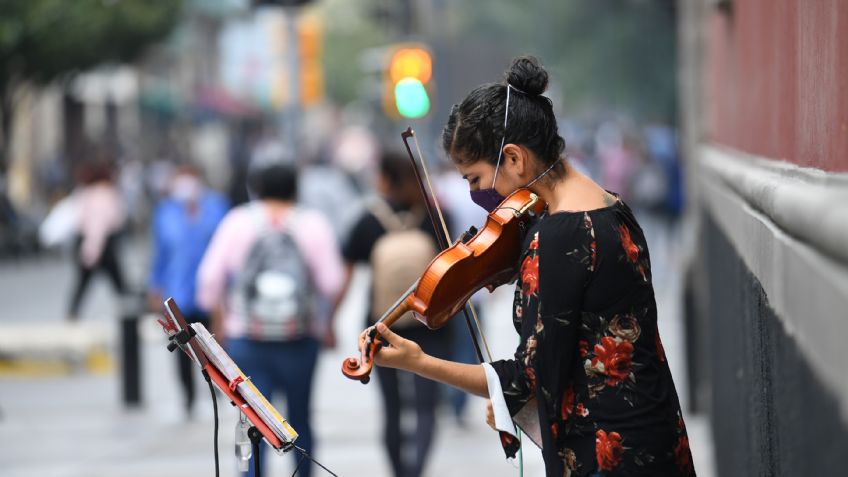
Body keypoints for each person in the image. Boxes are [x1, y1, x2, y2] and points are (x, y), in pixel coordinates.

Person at [358, 57, 696, 476]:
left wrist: (417, 362)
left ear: (514, 158)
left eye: (476, 179)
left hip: (607, 454)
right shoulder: (612, 206)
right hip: (655, 432)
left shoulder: (556, 237)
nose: (483, 195)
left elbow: (526, 377)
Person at [196, 159, 344, 477]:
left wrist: (220, 323)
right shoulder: (312, 224)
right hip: (300, 339)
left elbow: (209, 280)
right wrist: (327, 323)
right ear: (295, 189)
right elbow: (331, 281)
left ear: (257, 189)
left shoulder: (238, 221)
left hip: (247, 337)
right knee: (300, 420)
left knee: (252, 422)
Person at [341, 151, 454, 477]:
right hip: (432, 324)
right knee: (426, 406)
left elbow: (347, 272)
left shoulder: (368, 219)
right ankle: (416, 470)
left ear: (385, 179)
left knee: (392, 409)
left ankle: (399, 472)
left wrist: (329, 318)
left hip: (383, 323)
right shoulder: (435, 216)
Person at [148, 164, 229, 417]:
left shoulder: (217, 207)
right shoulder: (165, 212)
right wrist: (154, 287)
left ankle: (222, 389)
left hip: (211, 294)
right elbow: (159, 253)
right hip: (177, 294)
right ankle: (188, 398)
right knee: (182, 348)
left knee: (215, 346)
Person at [67, 160, 128, 321]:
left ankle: (72, 312)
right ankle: (130, 314)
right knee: (119, 284)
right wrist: (92, 250)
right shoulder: (105, 195)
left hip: (88, 243)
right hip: (101, 245)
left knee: (84, 282)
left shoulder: (84, 193)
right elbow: (97, 226)